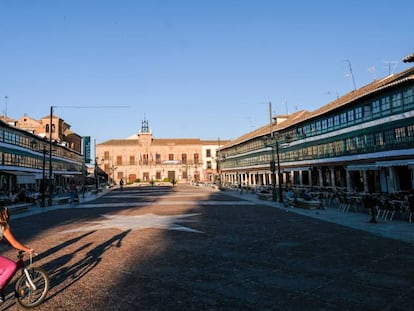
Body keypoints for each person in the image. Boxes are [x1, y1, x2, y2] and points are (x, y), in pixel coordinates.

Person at [0, 207, 33, 302]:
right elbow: (14, 243)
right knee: (12, 266)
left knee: (3, 269)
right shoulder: (3, 226)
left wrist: (9, 244)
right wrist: (27, 249)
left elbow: (3, 240)